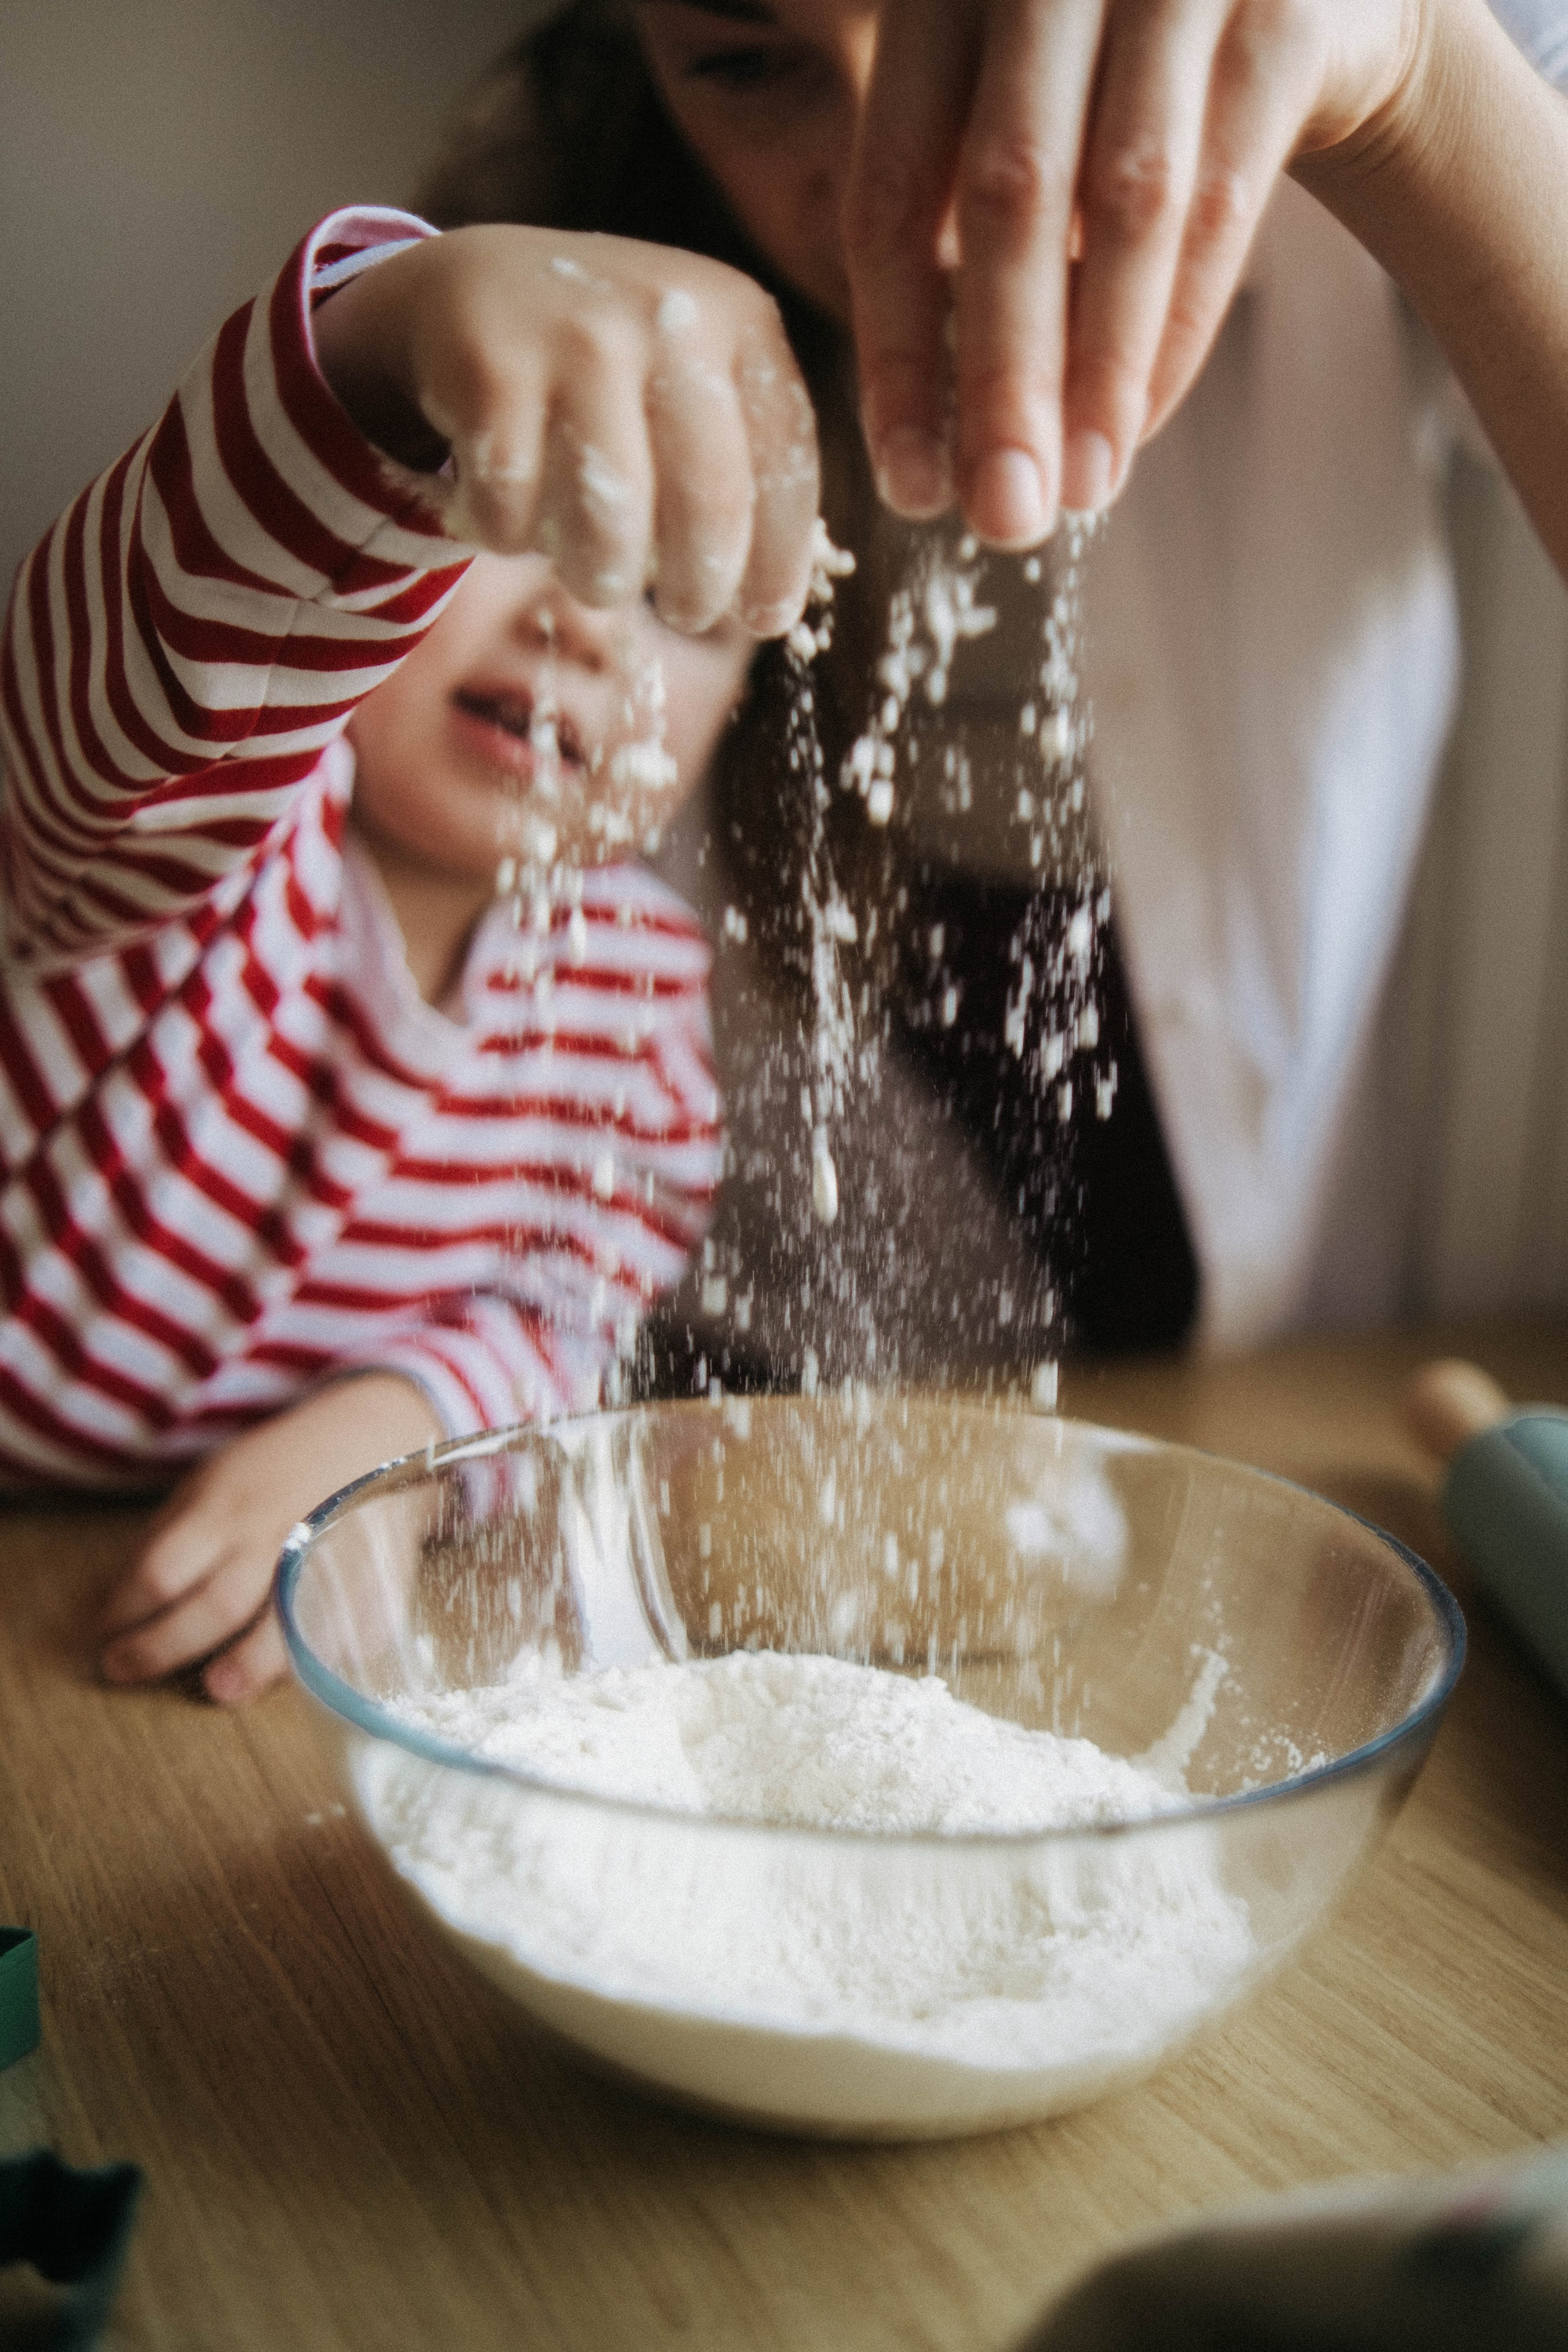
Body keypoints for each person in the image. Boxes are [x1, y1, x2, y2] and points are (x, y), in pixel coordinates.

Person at [409, 0, 1568, 1361]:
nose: (907, 211)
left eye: (977, 34)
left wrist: (1416, 91)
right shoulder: (556, 203)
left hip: (1272, 1355)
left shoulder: (1417, 74)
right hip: (707, 1381)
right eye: (745, 67)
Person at [0, 206, 794, 1700]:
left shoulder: (634, 994)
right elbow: (149, 672)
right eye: (515, 520)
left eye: (672, 600)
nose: (580, 621)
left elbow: (568, 1316)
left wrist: (399, 1437)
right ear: (348, 568)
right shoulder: (212, 823)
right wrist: (372, 349)